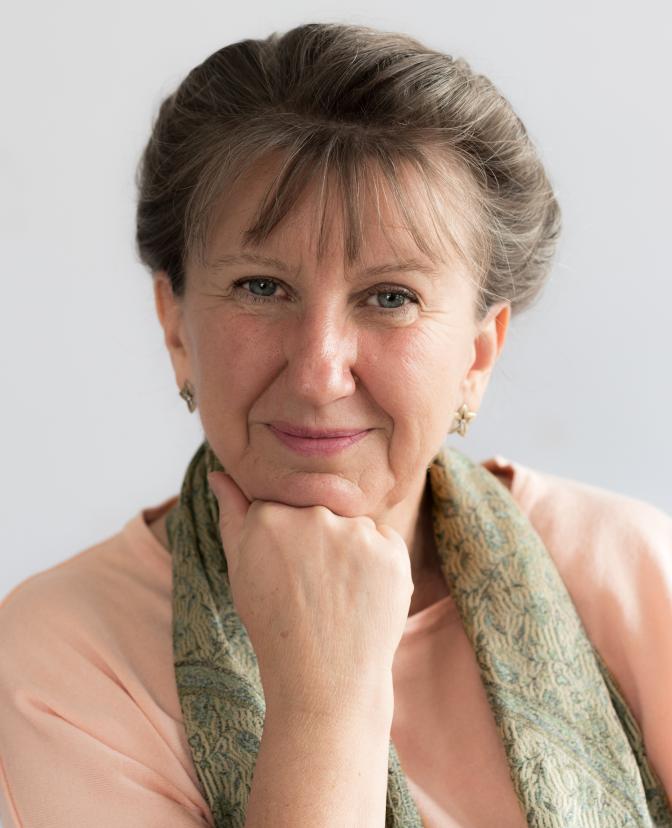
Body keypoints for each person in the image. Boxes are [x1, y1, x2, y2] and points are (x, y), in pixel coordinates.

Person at [0, 21, 670, 828]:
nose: (320, 372)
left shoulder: (633, 573)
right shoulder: (56, 656)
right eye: (261, 287)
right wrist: (325, 706)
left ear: (478, 353)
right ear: (176, 326)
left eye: (390, 297)